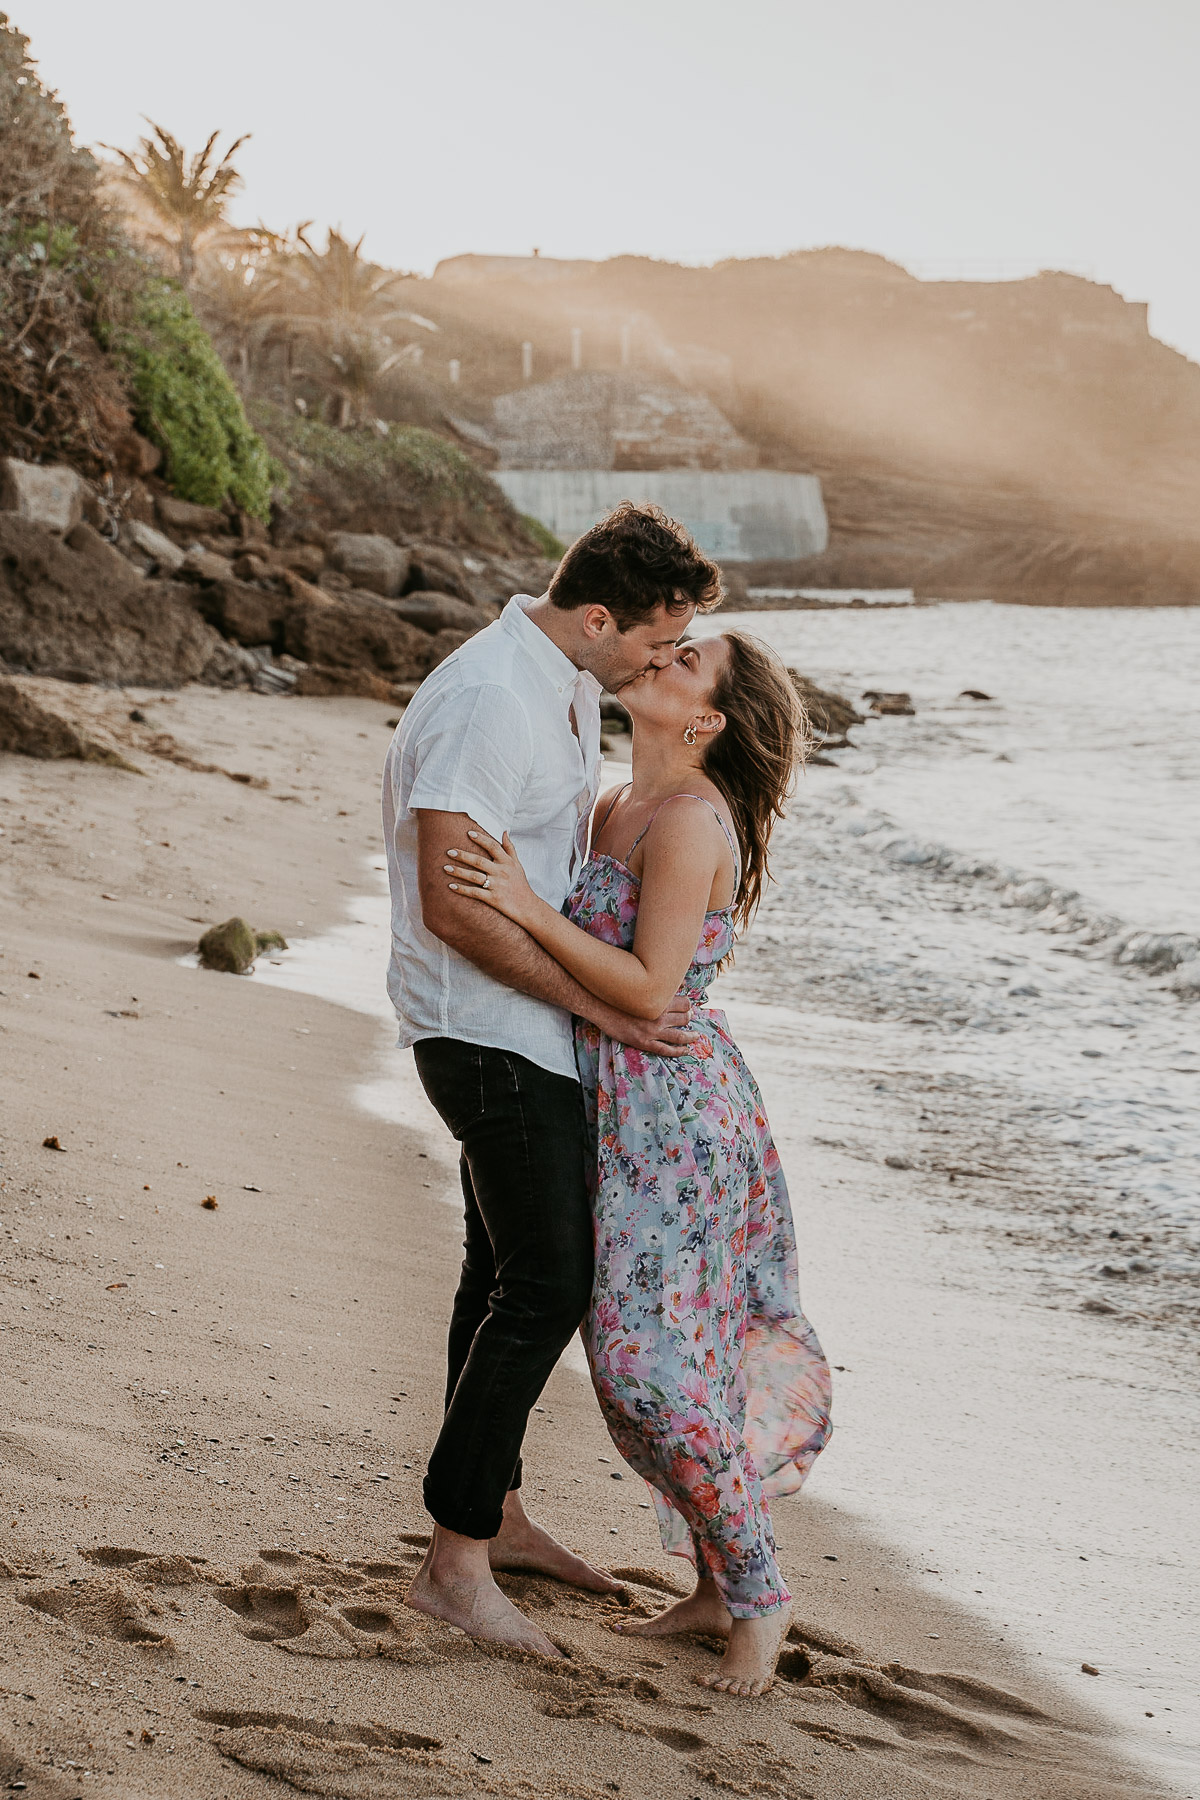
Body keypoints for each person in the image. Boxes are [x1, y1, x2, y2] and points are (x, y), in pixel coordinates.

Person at [440, 627, 833, 1696]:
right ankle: (711, 1584)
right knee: (665, 1358)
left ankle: (759, 1597)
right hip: (620, 1105)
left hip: (675, 1114)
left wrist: (520, 903)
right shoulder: (618, 802)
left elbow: (654, 992)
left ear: (705, 721)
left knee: (647, 1368)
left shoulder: (695, 820)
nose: (661, 656)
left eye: (687, 661)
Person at [382, 503, 723, 1659]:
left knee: (500, 1276)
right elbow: (449, 900)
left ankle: (500, 1515)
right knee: (549, 1282)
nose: (656, 662)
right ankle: (455, 1563)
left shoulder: (568, 683)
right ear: (594, 616)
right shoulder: (492, 700)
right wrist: (603, 1004)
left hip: (530, 1030)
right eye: (651, 641)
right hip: (481, 1030)